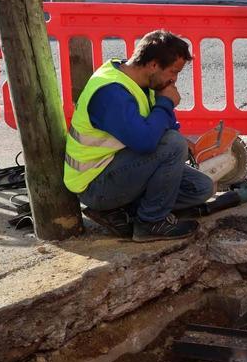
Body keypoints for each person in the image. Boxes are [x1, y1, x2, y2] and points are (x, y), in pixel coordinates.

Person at [64, 30, 213, 242]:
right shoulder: (111, 92)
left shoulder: (142, 80)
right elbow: (145, 142)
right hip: (95, 183)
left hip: (119, 166)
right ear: (153, 65)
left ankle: (122, 212)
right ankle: (151, 222)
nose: (174, 79)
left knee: (201, 188)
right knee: (173, 144)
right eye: (173, 72)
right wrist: (166, 103)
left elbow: (163, 127)